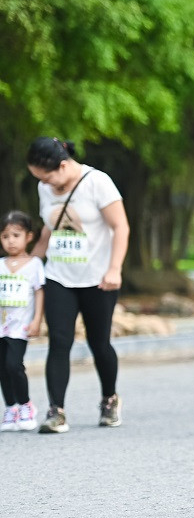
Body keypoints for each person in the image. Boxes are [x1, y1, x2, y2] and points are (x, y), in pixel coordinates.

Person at [27, 137, 130, 433]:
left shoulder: (98, 182)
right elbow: (49, 229)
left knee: (99, 343)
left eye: (46, 177)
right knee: (59, 342)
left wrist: (114, 269)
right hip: (59, 276)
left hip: (98, 278)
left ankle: (109, 399)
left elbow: (120, 227)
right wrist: (31, 263)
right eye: (38, 178)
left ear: (62, 166)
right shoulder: (45, 189)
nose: (43, 183)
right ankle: (56, 411)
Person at [0, 211, 45, 432]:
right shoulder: (1, 264)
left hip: (20, 325)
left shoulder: (34, 264)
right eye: (5, 236)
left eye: (16, 235)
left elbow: (39, 292)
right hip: (1, 324)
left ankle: (26, 405)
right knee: (2, 367)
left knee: (13, 365)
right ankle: (11, 408)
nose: (11, 241)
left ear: (29, 236)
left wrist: (37, 320)